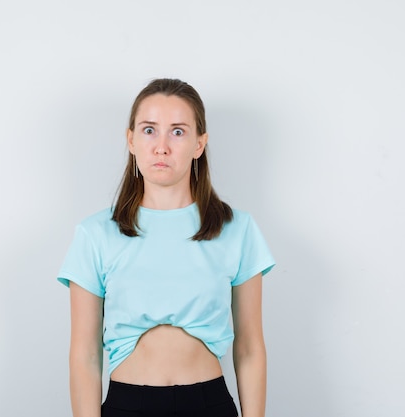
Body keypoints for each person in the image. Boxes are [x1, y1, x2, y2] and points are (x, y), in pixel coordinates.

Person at [57, 78, 275, 417]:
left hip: (209, 404)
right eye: (148, 130)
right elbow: (84, 354)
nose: (162, 146)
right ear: (130, 140)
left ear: (199, 144)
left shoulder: (237, 229)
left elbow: (249, 348)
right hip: (126, 405)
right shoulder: (95, 234)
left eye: (177, 131)